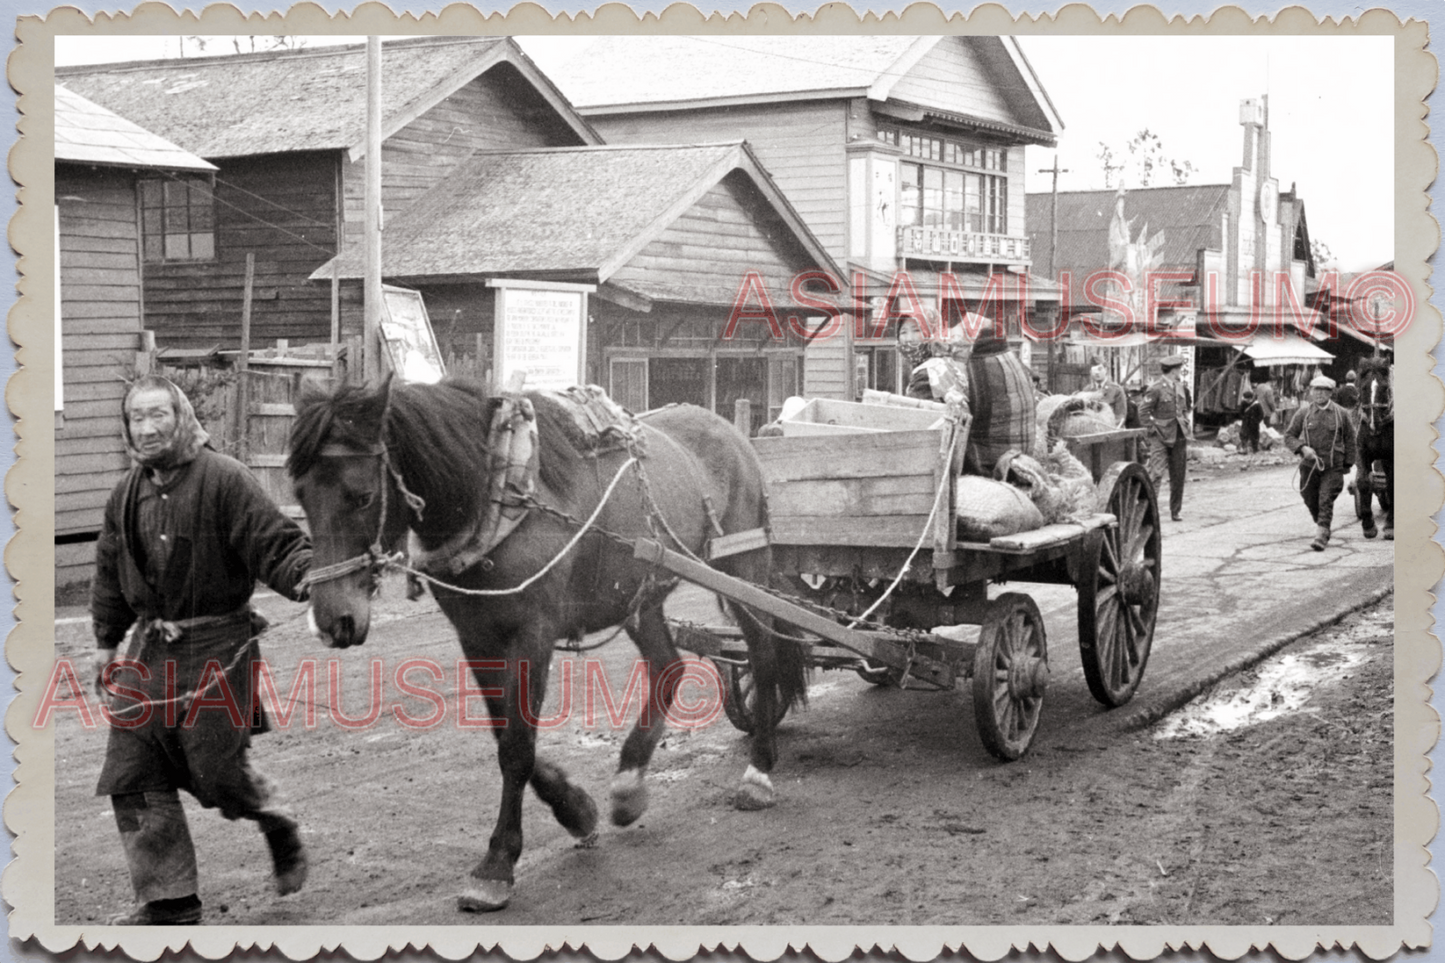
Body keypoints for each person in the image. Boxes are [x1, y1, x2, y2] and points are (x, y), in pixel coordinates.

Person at [91, 376, 313, 925]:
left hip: (219, 645)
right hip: (149, 648)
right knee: (133, 771)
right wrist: (104, 642)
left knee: (216, 774)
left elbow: (276, 543)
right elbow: (109, 572)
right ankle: (169, 899)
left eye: (158, 415)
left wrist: (311, 578)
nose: (146, 428)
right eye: (136, 418)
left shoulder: (225, 478)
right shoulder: (126, 493)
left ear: (182, 417)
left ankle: (274, 817)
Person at [1284, 373, 1357, 551]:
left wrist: (1347, 464)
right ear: (1311, 392)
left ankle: (1321, 534)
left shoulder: (1341, 414)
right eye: (1316, 390)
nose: (1319, 394)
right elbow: (1289, 436)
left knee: (1325, 499)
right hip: (1309, 467)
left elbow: (1350, 439)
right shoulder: (1304, 413)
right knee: (1309, 497)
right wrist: (1302, 448)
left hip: (1333, 466)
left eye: (1324, 391)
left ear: (1331, 393)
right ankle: (1322, 524)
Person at [1139, 354, 1193, 522]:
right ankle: (1150, 513)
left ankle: (1175, 511)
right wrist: (1152, 431)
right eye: (1178, 370)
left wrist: (1185, 422)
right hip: (1160, 438)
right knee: (1156, 474)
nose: (1179, 372)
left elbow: (1184, 409)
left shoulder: (1180, 387)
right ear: (1173, 370)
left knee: (1178, 476)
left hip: (1179, 436)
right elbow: (1143, 411)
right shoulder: (1155, 388)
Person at [1085, 362, 1128, 426]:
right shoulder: (1087, 390)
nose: (1097, 372)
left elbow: (1120, 416)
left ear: (1106, 370)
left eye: (1100, 369)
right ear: (1091, 372)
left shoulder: (1116, 390)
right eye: (1094, 370)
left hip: (1112, 430)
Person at [1240, 388, 1264, 454]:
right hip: (1246, 422)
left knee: (1254, 436)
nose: (1247, 401)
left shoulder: (1257, 404)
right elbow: (1241, 412)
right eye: (1246, 399)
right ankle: (1244, 449)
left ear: (1251, 398)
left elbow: (1261, 414)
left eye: (1248, 399)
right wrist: (1244, 418)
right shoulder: (1243, 403)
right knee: (1244, 435)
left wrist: (1257, 421)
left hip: (1254, 423)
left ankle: (1255, 449)